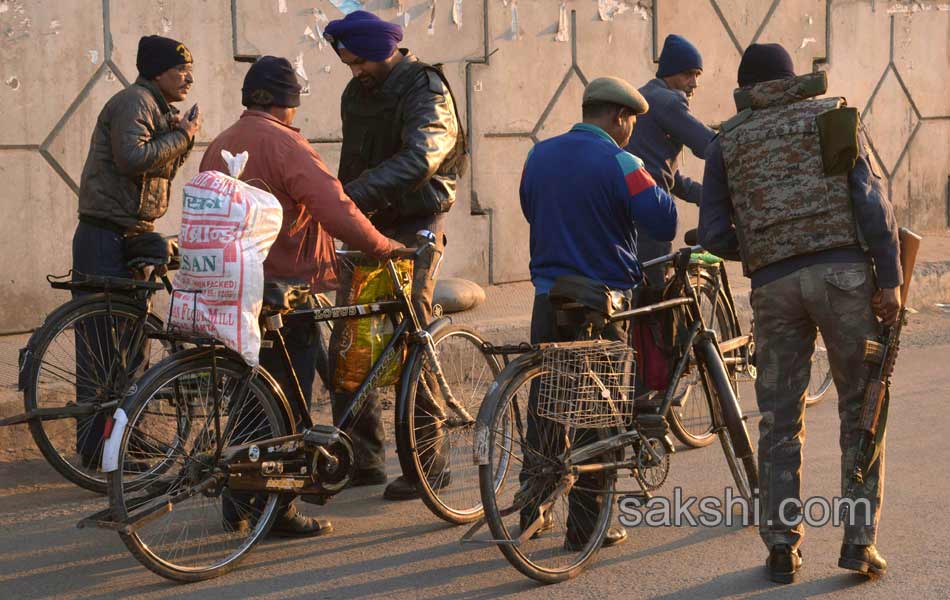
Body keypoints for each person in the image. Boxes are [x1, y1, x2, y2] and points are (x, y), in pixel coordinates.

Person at [698, 43, 901, 584]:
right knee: (862, 407)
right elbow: (870, 204)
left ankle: (782, 547)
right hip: (843, 277)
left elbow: (716, 235)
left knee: (780, 419)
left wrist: (768, 253)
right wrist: (890, 279)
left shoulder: (725, 143)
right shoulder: (832, 116)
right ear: (792, 78)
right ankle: (859, 542)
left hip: (773, 288)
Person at [201, 56, 402, 537]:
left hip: (235, 291)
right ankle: (281, 508)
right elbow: (335, 206)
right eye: (294, 103)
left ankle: (239, 503)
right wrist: (381, 245)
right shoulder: (285, 144)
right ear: (281, 102)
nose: (296, 113)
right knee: (288, 404)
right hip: (285, 292)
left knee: (250, 399)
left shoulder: (221, 143)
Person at [519, 76, 678, 551]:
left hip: (547, 299)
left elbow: (530, 207)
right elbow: (663, 221)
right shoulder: (623, 161)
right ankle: (590, 526)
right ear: (619, 117)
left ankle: (534, 506)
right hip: (601, 303)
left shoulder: (538, 155)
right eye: (630, 121)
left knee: (546, 402)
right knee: (599, 410)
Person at [323, 10, 466, 501]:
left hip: (415, 226)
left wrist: (351, 196)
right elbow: (351, 162)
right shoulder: (354, 93)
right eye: (349, 63)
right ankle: (362, 459)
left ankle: (428, 465)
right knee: (350, 339)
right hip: (368, 222)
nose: (355, 70)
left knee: (410, 340)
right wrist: (341, 207)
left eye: (361, 61)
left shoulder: (426, 88)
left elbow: (422, 157)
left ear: (386, 50)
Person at [72, 35, 201, 468]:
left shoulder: (155, 107)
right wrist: (182, 136)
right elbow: (132, 158)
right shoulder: (135, 101)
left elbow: (155, 167)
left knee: (132, 347)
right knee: (103, 348)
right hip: (105, 237)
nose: (189, 76)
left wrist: (179, 135)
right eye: (181, 68)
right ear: (157, 70)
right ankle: (97, 447)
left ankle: (126, 438)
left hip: (131, 234)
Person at [626, 34, 715, 286]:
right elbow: (709, 145)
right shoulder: (668, 101)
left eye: (697, 75)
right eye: (688, 74)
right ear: (670, 73)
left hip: (627, 205)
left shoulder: (646, 96)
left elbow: (670, 177)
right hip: (650, 211)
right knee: (653, 292)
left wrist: (705, 196)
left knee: (635, 290)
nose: (694, 83)